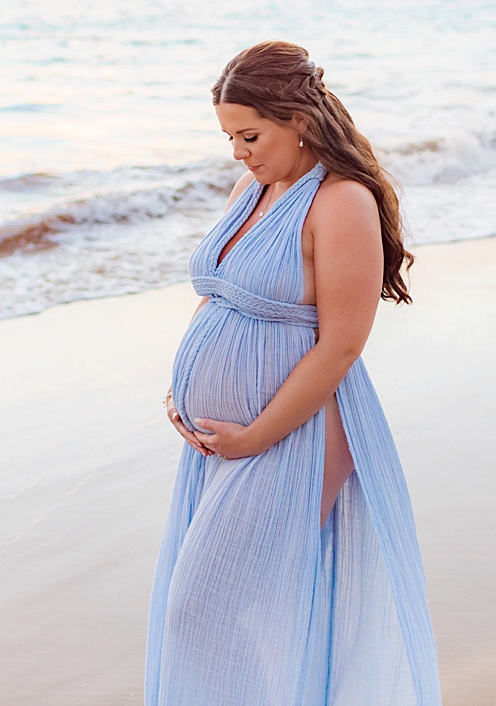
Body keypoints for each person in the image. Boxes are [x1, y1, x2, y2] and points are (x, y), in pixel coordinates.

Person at [145, 41, 441, 705]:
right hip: (223, 442)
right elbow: (217, 290)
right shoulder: (250, 187)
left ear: (298, 121)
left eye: (250, 135)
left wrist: (255, 437)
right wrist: (182, 385)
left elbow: (341, 346)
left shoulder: (341, 202)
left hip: (295, 434)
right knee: (217, 611)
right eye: (228, 137)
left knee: (202, 609)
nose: (238, 153)